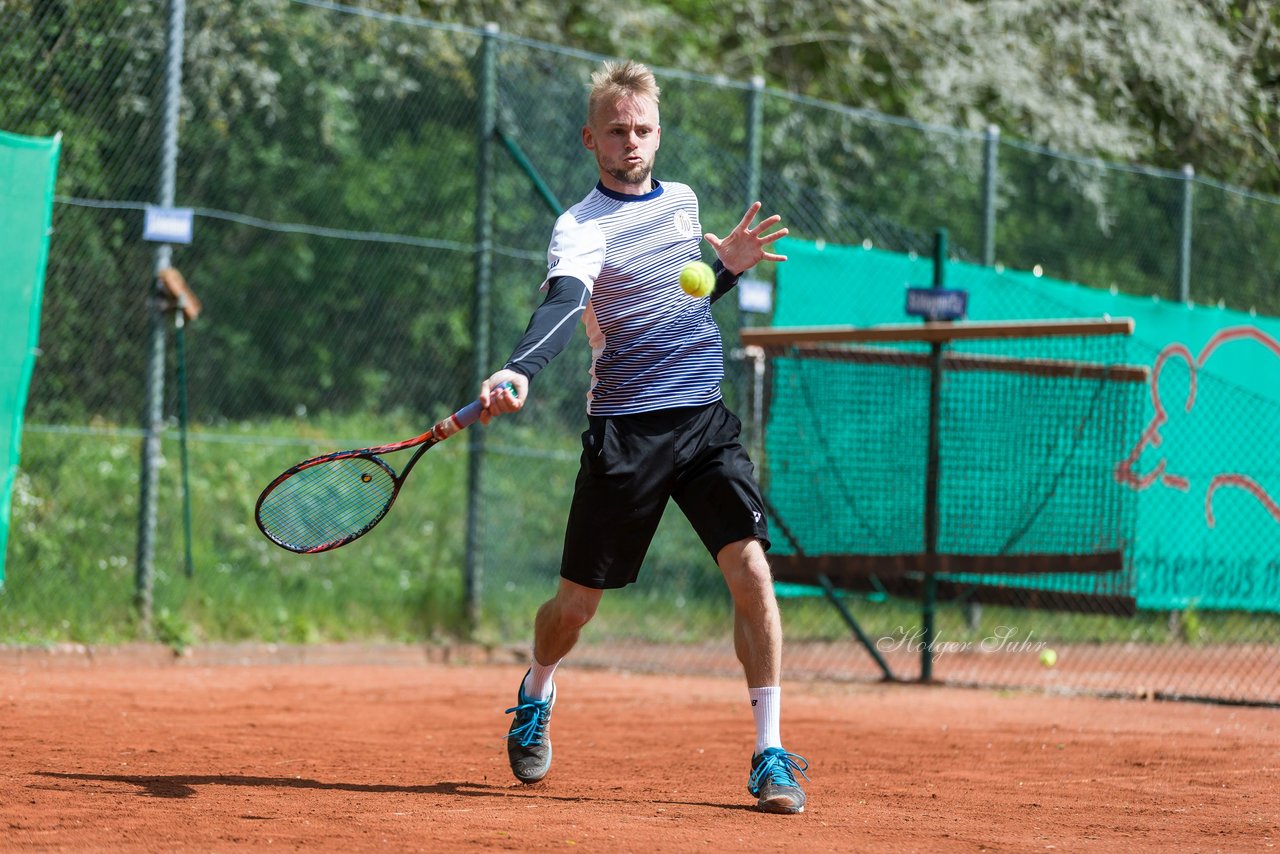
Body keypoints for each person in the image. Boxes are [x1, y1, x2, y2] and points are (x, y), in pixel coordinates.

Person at [478, 59, 808, 815]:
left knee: (752, 570)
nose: (632, 141)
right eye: (617, 130)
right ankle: (537, 687)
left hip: (703, 423)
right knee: (574, 609)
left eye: (644, 129)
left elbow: (682, 300)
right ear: (591, 138)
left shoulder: (684, 203)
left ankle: (769, 754)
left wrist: (721, 272)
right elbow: (567, 301)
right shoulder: (580, 227)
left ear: (658, 133)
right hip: (625, 434)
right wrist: (521, 368)